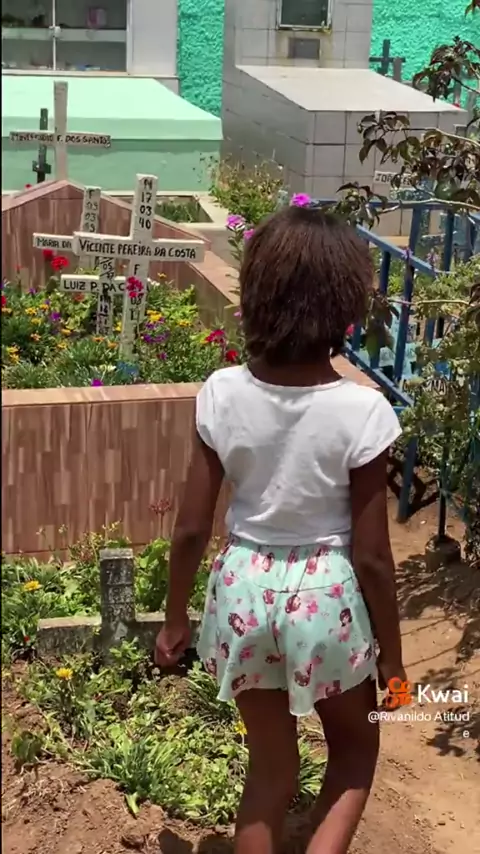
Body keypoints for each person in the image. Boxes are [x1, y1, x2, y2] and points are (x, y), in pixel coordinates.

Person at [155, 205, 406, 854]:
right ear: (346, 306)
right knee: (355, 749)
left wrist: (176, 618)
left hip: (241, 590)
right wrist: (394, 662)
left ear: (257, 295)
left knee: (270, 766)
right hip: (325, 598)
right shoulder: (363, 411)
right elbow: (373, 558)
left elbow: (190, 528)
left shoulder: (221, 393)